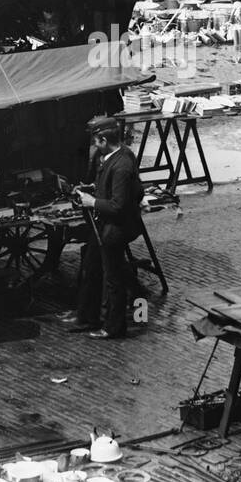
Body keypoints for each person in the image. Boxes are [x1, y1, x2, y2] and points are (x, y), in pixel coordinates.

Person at [61, 115, 144, 339]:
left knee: (113, 279)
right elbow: (110, 187)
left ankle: (113, 327)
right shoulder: (115, 156)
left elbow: (118, 205)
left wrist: (93, 201)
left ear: (103, 140)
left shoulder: (122, 165)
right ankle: (87, 317)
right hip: (103, 227)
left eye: (95, 142)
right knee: (91, 268)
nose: (93, 146)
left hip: (114, 230)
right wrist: (93, 187)